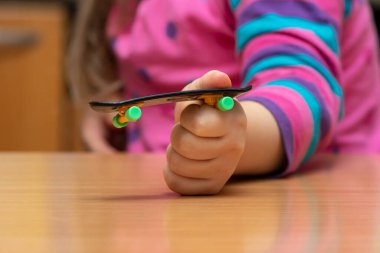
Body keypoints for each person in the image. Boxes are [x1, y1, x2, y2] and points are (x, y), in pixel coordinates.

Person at [67, 0, 380, 195]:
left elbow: (301, 88)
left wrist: (230, 136)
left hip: (316, 203)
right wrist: (125, 111)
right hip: (168, 209)